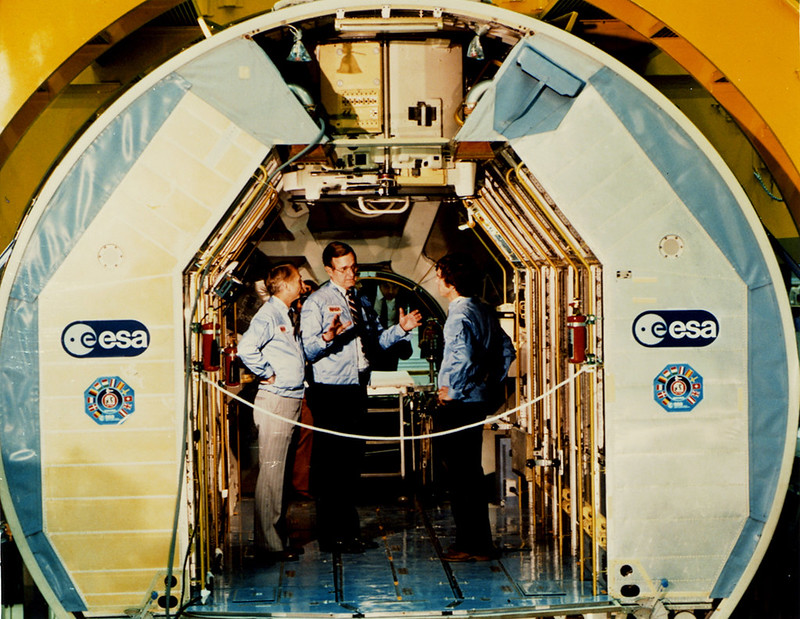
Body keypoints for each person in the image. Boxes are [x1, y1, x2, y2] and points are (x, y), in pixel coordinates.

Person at [300, 241, 423, 553]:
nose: (351, 274)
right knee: (332, 467)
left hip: (356, 389)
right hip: (330, 393)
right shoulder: (316, 302)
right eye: (343, 269)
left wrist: (401, 328)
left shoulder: (362, 301)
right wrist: (329, 336)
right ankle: (331, 535)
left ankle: (348, 531)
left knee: (352, 464)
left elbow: (377, 341)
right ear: (329, 270)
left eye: (353, 267)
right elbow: (308, 349)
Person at [434, 252, 516, 562]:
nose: (438, 281)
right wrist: (489, 385)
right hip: (478, 401)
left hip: (459, 404)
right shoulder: (483, 310)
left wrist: (452, 391)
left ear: (450, 282)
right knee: (471, 473)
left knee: (459, 476)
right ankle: (479, 542)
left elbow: (463, 357)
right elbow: (507, 351)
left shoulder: (458, 315)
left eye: (441, 275)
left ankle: (470, 544)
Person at [237, 263, 309, 562]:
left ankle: (276, 537)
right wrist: (266, 373)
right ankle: (269, 545)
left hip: (290, 399)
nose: (302, 285)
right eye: (299, 280)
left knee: (280, 474)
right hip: (276, 401)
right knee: (272, 473)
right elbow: (246, 349)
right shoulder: (268, 314)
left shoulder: (284, 314)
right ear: (287, 285)